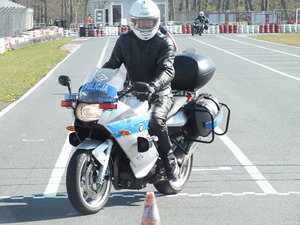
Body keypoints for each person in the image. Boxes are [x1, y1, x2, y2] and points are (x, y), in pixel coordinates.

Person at [102, 0, 179, 181]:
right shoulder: (125, 40)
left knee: (154, 120)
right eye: (140, 22)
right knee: (110, 120)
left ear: (156, 21)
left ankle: (169, 161)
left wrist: (153, 86)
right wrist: (97, 82)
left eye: (149, 22)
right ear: (133, 21)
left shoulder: (163, 42)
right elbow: (112, 65)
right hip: (131, 92)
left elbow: (168, 70)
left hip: (160, 93)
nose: (144, 25)